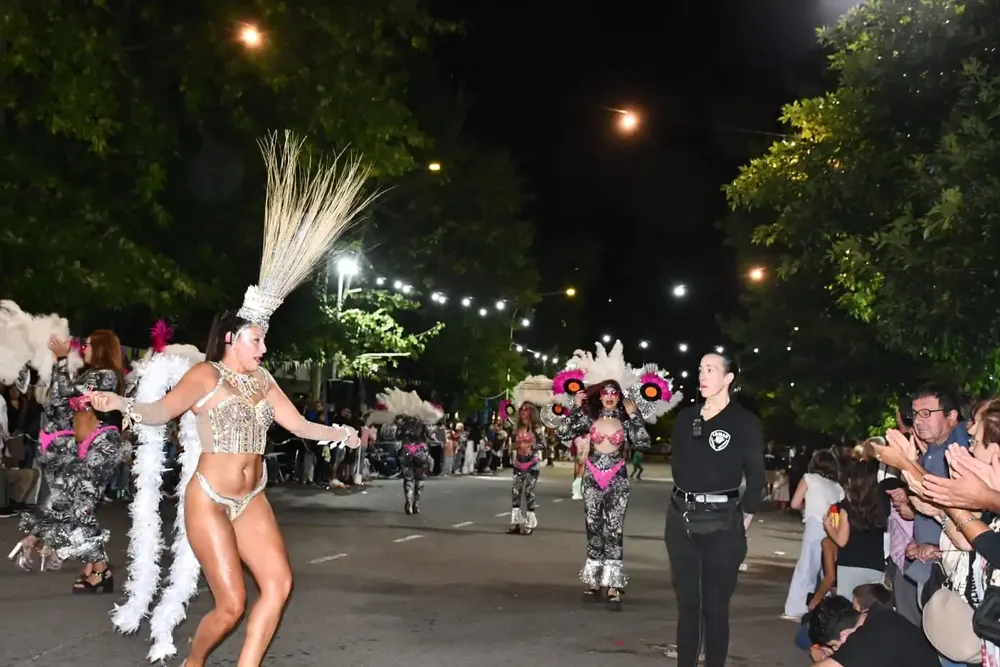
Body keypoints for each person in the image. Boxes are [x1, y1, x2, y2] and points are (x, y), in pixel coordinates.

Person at [88, 131, 368, 666]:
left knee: (279, 584)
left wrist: (340, 432)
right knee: (232, 604)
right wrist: (120, 406)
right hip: (210, 500)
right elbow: (160, 413)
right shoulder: (205, 376)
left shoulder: (263, 381)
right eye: (257, 338)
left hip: (252, 496)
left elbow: (300, 426)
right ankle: (194, 663)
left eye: (265, 337)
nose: (265, 346)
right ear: (234, 338)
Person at [554, 340, 680, 609]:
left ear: (619, 395)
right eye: (606, 392)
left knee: (614, 529)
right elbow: (563, 433)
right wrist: (575, 406)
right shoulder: (588, 418)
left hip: (617, 479)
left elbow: (643, 443)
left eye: (614, 392)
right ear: (599, 395)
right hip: (591, 478)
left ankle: (613, 585)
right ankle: (593, 581)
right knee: (593, 529)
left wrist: (634, 417)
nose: (610, 395)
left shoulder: (626, 418)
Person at [664, 352, 765, 667]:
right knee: (688, 606)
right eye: (700, 369)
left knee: (715, 607)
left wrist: (745, 513)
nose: (703, 375)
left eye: (711, 369)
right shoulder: (686, 418)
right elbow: (677, 462)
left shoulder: (744, 422)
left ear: (728, 378)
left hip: (723, 526)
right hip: (681, 521)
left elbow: (757, 474)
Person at [11, 330, 125, 593]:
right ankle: (95, 563)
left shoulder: (107, 375)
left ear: (101, 347)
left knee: (82, 508)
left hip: (102, 443)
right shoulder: (85, 374)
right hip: (79, 445)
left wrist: (62, 361)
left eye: (86, 344)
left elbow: (69, 391)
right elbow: (57, 400)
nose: (81, 348)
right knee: (72, 505)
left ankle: (101, 569)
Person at [365, 388, 443, 514]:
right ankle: (416, 503)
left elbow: (394, 435)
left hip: (406, 450)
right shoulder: (423, 423)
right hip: (420, 450)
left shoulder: (402, 423)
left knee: (408, 478)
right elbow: (431, 437)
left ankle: (408, 500)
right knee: (419, 478)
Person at [808, 595, 938, 666]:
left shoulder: (864, 640)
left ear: (843, 634)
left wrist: (819, 658)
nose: (836, 650)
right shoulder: (878, 616)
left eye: (834, 646)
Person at [499, 375, 551, 535]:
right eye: (521, 409)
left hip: (532, 464)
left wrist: (531, 446)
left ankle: (529, 523)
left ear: (531, 412)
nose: (523, 412)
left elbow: (544, 444)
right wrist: (515, 445)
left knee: (528, 492)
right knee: (515, 492)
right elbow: (513, 444)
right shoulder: (516, 428)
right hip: (518, 463)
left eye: (526, 409)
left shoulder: (535, 428)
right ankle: (515, 523)